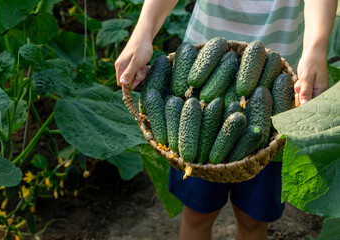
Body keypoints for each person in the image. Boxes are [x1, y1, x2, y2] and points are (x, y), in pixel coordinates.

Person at [115, 0, 337, 239]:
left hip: (276, 88)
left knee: (254, 218)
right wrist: (143, 31)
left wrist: (316, 47)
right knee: (197, 213)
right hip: (199, 68)